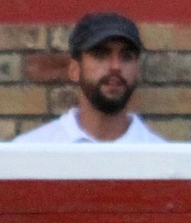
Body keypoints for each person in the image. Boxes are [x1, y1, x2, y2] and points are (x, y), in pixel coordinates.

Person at [14, 12, 166, 144]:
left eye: (126, 56)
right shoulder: (32, 153)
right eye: (101, 55)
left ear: (137, 69)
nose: (116, 66)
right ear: (74, 69)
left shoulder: (163, 160)